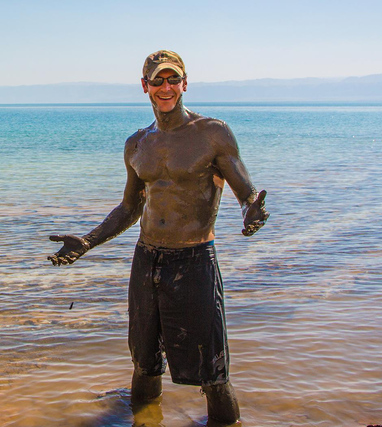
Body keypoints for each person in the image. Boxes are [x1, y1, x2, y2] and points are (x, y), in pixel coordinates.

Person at [48, 50, 269, 425]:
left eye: (172, 79)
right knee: (144, 363)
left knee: (212, 373)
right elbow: (129, 208)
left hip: (195, 260)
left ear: (185, 83)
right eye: (157, 80)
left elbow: (244, 188)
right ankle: (144, 419)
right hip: (147, 259)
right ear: (145, 86)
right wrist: (87, 241)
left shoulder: (212, 133)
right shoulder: (136, 144)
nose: (165, 87)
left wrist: (250, 207)